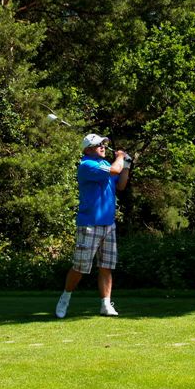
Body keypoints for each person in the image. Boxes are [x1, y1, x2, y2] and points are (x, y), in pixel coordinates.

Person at [55, 134, 131, 318]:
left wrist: (127, 165)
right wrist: (121, 157)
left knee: (106, 266)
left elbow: (121, 185)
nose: (103, 147)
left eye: (104, 144)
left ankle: (105, 304)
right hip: (89, 223)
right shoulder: (87, 165)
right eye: (98, 145)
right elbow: (115, 170)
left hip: (108, 224)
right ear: (88, 149)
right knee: (80, 266)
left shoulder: (105, 164)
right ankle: (65, 298)